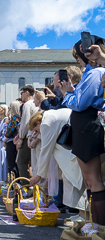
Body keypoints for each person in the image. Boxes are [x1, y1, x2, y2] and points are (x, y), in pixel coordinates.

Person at [60, 37, 105, 225]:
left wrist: (67, 94)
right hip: (83, 126)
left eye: (78, 55)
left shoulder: (96, 73)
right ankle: (94, 225)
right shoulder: (92, 72)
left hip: (87, 125)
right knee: (89, 181)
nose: (77, 59)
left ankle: (99, 228)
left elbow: (79, 103)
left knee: (93, 180)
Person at [29, 110, 86, 222]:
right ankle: (81, 214)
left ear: (38, 122)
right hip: (75, 147)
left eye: (36, 130)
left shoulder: (46, 123)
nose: (38, 133)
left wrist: (39, 175)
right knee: (73, 182)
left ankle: (84, 216)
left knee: (77, 183)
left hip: (74, 153)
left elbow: (45, 151)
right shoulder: (50, 115)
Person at [16, 85, 38, 181]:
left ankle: (26, 186)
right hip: (38, 135)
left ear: (27, 93)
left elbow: (25, 122)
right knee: (34, 162)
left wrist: (21, 138)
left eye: (22, 93)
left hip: (29, 136)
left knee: (21, 161)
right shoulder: (36, 103)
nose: (21, 96)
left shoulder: (28, 104)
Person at [4, 100, 21, 177]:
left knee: (11, 163)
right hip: (15, 141)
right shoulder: (18, 117)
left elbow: (11, 129)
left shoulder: (15, 117)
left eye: (10, 107)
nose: (9, 109)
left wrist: (5, 136)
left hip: (12, 142)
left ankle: (14, 181)